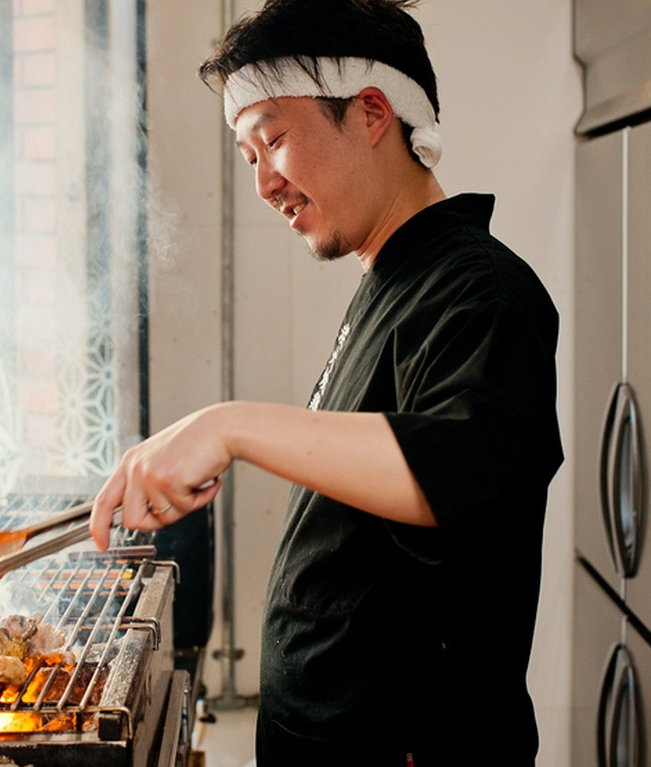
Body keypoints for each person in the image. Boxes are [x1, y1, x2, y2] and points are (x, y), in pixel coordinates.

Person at [89, 0, 563, 763]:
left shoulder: (482, 290)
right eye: (248, 158)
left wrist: (227, 426)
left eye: (273, 139)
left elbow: (459, 471)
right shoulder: (394, 281)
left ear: (372, 112)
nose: (265, 184)